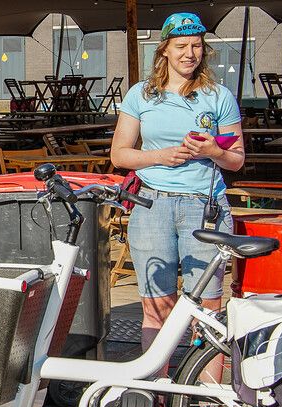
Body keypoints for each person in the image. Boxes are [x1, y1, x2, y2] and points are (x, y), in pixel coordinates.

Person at [111, 13, 244, 380]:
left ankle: (208, 402)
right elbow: (120, 154)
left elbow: (236, 159)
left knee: (207, 308)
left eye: (197, 46)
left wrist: (212, 152)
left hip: (205, 208)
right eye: (182, 46)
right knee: (157, 305)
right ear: (165, 50)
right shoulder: (141, 94)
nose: (190, 54)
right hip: (153, 204)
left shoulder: (218, 96)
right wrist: (160, 156)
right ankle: (152, 394)